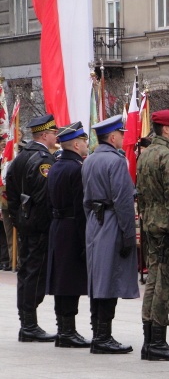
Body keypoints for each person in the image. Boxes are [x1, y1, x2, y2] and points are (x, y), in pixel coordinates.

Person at [83, 115, 139, 354]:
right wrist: (128, 234)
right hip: (112, 221)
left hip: (94, 222)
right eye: (122, 134)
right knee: (108, 280)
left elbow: (85, 198)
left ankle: (98, 333)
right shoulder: (116, 162)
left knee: (97, 279)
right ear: (113, 136)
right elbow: (123, 201)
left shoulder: (89, 159)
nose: (123, 138)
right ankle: (103, 337)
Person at [136, 109, 169, 361]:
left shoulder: (146, 155)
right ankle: (158, 341)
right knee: (164, 285)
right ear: (166, 129)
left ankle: (149, 340)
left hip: (151, 225)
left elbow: (143, 196)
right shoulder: (168, 157)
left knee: (153, 282)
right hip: (167, 228)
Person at [6, 114, 58, 342]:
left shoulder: (21, 157)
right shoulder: (43, 160)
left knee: (27, 272)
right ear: (45, 135)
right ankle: (29, 325)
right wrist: (44, 225)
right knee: (34, 274)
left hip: (27, 224)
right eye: (54, 133)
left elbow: (12, 195)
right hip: (38, 227)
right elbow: (44, 198)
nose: (56, 136)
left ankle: (27, 322)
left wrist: (19, 220)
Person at [46, 122, 91, 348]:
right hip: (73, 227)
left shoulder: (55, 166)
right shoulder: (76, 168)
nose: (86, 145)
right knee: (70, 281)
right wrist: (85, 238)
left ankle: (63, 328)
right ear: (75, 144)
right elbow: (81, 206)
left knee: (61, 280)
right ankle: (68, 331)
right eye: (83, 141)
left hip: (58, 226)